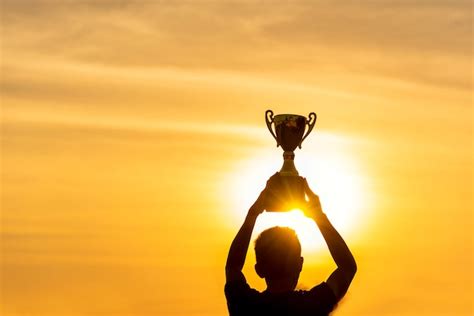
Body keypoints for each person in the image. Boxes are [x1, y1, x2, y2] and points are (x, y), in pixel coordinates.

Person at [225, 177, 357, 316]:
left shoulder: (246, 305)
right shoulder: (313, 306)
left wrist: (252, 214)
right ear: (300, 264)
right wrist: (319, 216)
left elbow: (232, 267)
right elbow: (347, 267)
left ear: (259, 269)